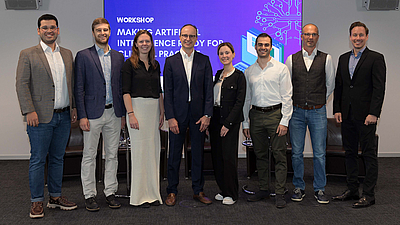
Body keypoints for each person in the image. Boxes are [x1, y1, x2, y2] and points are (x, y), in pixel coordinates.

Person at [16, 14, 78, 219]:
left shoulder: (67, 54)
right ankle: (36, 201)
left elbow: (72, 85)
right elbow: (22, 84)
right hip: (39, 118)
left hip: (64, 117)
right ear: (38, 30)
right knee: (38, 160)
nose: (49, 31)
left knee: (58, 159)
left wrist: (74, 108)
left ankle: (55, 197)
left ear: (58, 30)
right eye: (45, 28)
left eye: (53, 27)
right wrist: (29, 110)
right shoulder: (28, 54)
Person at [332, 21, 386, 208]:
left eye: (361, 35)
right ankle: (353, 190)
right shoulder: (343, 58)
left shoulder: (376, 58)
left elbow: (379, 89)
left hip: (366, 117)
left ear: (367, 36)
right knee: (350, 153)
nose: (357, 38)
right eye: (354, 35)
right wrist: (337, 109)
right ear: (350, 37)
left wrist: (374, 113)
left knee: (369, 155)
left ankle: (369, 195)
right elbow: (340, 86)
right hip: (346, 115)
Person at [74, 18, 125, 211]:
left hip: (114, 113)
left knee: (112, 155)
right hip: (92, 115)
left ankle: (110, 192)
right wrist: (82, 115)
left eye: (105, 30)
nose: (102, 33)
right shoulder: (83, 56)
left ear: (110, 32)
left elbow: (120, 87)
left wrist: (121, 115)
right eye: (98, 30)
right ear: (93, 33)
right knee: (89, 155)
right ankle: (89, 195)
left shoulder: (119, 57)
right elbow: (78, 88)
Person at [163, 24, 214, 206]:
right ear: (179, 37)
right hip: (177, 116)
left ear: (196, 38)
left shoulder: (204, 60)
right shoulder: (170, 61)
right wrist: (170, 117)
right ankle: (172, 191)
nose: (188, 39)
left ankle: (198, 190)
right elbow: (167, 92)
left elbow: (209, 90)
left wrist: (208, 114)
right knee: (174, 155)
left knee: (198, 155)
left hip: (199, 116)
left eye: (192, 36)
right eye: (185, 35)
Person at [285, 24, 335, 204]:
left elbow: (330, 85)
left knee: (319, 153)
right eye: (307, 34)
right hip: (296, 112)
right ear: (301, 36)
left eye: (313, 34)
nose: (310, 37)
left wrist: (318, 100)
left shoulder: (326, 59)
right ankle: (298, 187)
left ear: (318, 37)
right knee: (296, 153)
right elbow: (287, 86)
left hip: (318, 111)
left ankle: (320, 189)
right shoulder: (291, 59)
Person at [242, 33, 293, 208]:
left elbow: (287, 96)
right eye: (260, 45)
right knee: (260, 155)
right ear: (255, 47)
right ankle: (263, 189)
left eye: (266, 45)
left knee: (279, 155)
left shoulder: (281, 68)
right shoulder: (249, 71)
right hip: (256, 116)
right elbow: (246, 99)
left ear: (271, 47)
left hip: (276, 115)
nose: (263, 47)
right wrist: (246, 123)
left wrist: (285, 121)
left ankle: (279, 192)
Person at [122, 30, 164, 208]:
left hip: (153, 111)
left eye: (147, 41)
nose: (145, 44)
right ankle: (139, 196)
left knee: (153, 153)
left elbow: (159, 91)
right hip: (137, 110)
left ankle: (153, 194)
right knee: (139, 154)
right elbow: (125, 92)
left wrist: (162, 111)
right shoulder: (128, 64)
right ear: (136, 44)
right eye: (141, 41)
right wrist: (131, 114)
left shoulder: (155, 64)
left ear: (151, 44)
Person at [210, 42, 246, 205]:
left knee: (229, 158)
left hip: (229, 121)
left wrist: (228, 124)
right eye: (221, 54)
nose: (224, 56)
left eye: (227, 53)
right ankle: (223, 189)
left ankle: (232, 193)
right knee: (217, 157)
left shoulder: (239, 76)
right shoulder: (218, 74)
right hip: (215, 119)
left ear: (233, 54)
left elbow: (239, 103)